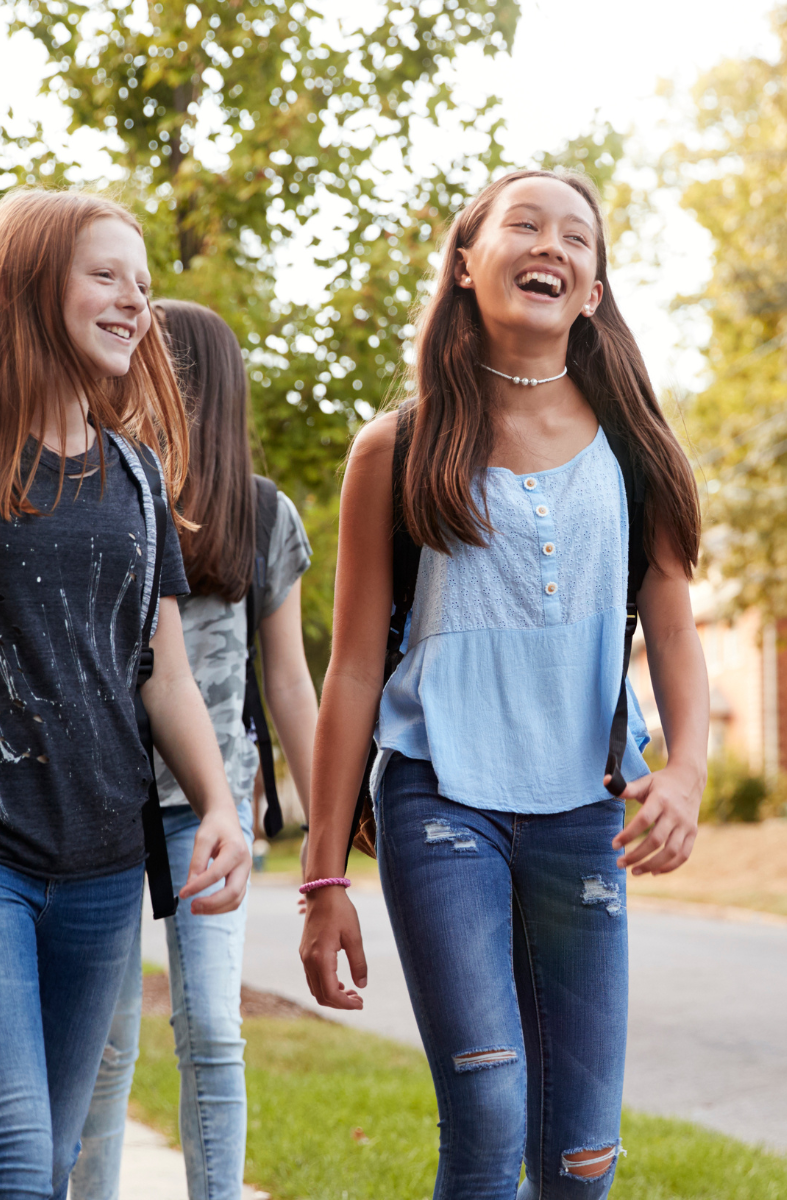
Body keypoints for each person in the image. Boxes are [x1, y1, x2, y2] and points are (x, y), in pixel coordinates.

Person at [300, 169, 709, 1199]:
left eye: (577, 237)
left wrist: (689, 770)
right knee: (485, 1114)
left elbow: (671, 625)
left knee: (581, 1159)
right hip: (439, 801)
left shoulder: (638, 448)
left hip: (584, 812)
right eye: (523, 225)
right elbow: (351, 671)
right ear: (465, 263)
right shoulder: (394, 448)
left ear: (594, 289)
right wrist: (320, 880)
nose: (552, 245)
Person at [0, 190, 250, 1199]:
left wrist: (223, 803)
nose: (134, 303)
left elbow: (167, 675)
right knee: (18, 1155)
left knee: (54, 1158)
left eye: (143, 286)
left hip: (104, 862)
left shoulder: (139, 478)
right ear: (29, 285)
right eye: (106, 276)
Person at [71, 299, 317, 1200]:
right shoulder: (92, 485)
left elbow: (289, 681)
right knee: (105, 1040)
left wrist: (327, 819)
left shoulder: (261, 516)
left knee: (212, 1029)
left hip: (204, 814)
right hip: (91, 804)